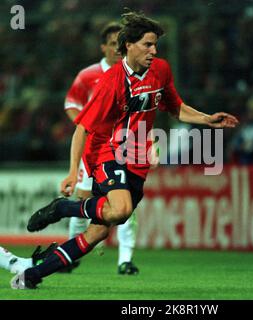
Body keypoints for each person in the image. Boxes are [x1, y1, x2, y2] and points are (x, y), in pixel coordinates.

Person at [12, 11, 239, 289]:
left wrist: (206, 119)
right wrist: (73, 172)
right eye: (147, 44)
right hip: (107, 153)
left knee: (97, 233)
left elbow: (176, 107)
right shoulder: (112, 83)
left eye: (155, 45)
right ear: (128, 46)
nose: (153, 51)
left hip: (137, 161)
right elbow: (82, 128)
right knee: (121, 210)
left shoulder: (161, 70)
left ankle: (32, 276)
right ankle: (64, 208)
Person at [63, 21, 139, 275]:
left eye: (122, 43)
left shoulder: (137, 73)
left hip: (124, 147)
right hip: (94, 149)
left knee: (126, 205)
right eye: (113, 44)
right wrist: (87, 126)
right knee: (84, 200)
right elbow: (71, 104)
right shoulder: (88, 75)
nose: (118, 49)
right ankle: (71, 254)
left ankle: (125, 260)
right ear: (103, 47)